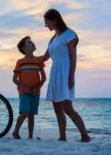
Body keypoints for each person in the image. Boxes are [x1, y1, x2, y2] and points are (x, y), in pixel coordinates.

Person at [41, 8, 91, 142]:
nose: (46, 26)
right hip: (55, 73)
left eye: (47, 22)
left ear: (55, 20)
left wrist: (70, 76)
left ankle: (85, 136)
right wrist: (28, 59)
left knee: (68, 108)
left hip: (65, 73)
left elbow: (73, 58)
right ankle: (62, 136)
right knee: (57, 108)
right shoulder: (53, 38)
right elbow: (45, 57)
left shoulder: (69, 34)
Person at [12, 36, 46, 139]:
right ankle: (16, 132)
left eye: (32, 42)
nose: (33, 44)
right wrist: (23, 87)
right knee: (24, 112)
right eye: (29, 43)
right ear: (24, 48)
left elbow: (44, 78)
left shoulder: (38, 60)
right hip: (23, 92)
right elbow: (14, 79)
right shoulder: (20, 62)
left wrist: (37, 87)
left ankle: (30, 136)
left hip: (35, 92)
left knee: (31, 115)